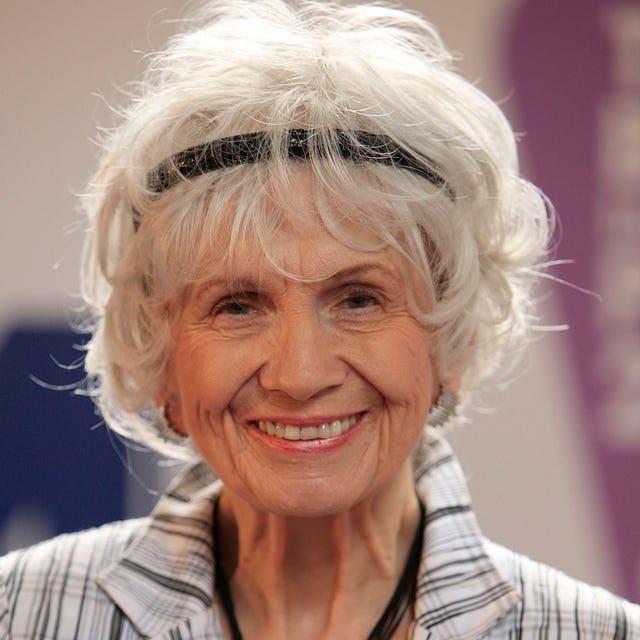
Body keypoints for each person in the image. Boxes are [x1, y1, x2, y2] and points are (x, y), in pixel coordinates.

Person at [1, 0, 639, 638]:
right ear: (161, 360)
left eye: (358, 299)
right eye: (238, 306)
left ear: (452, 337)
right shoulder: (19, 614)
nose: (299, 374)